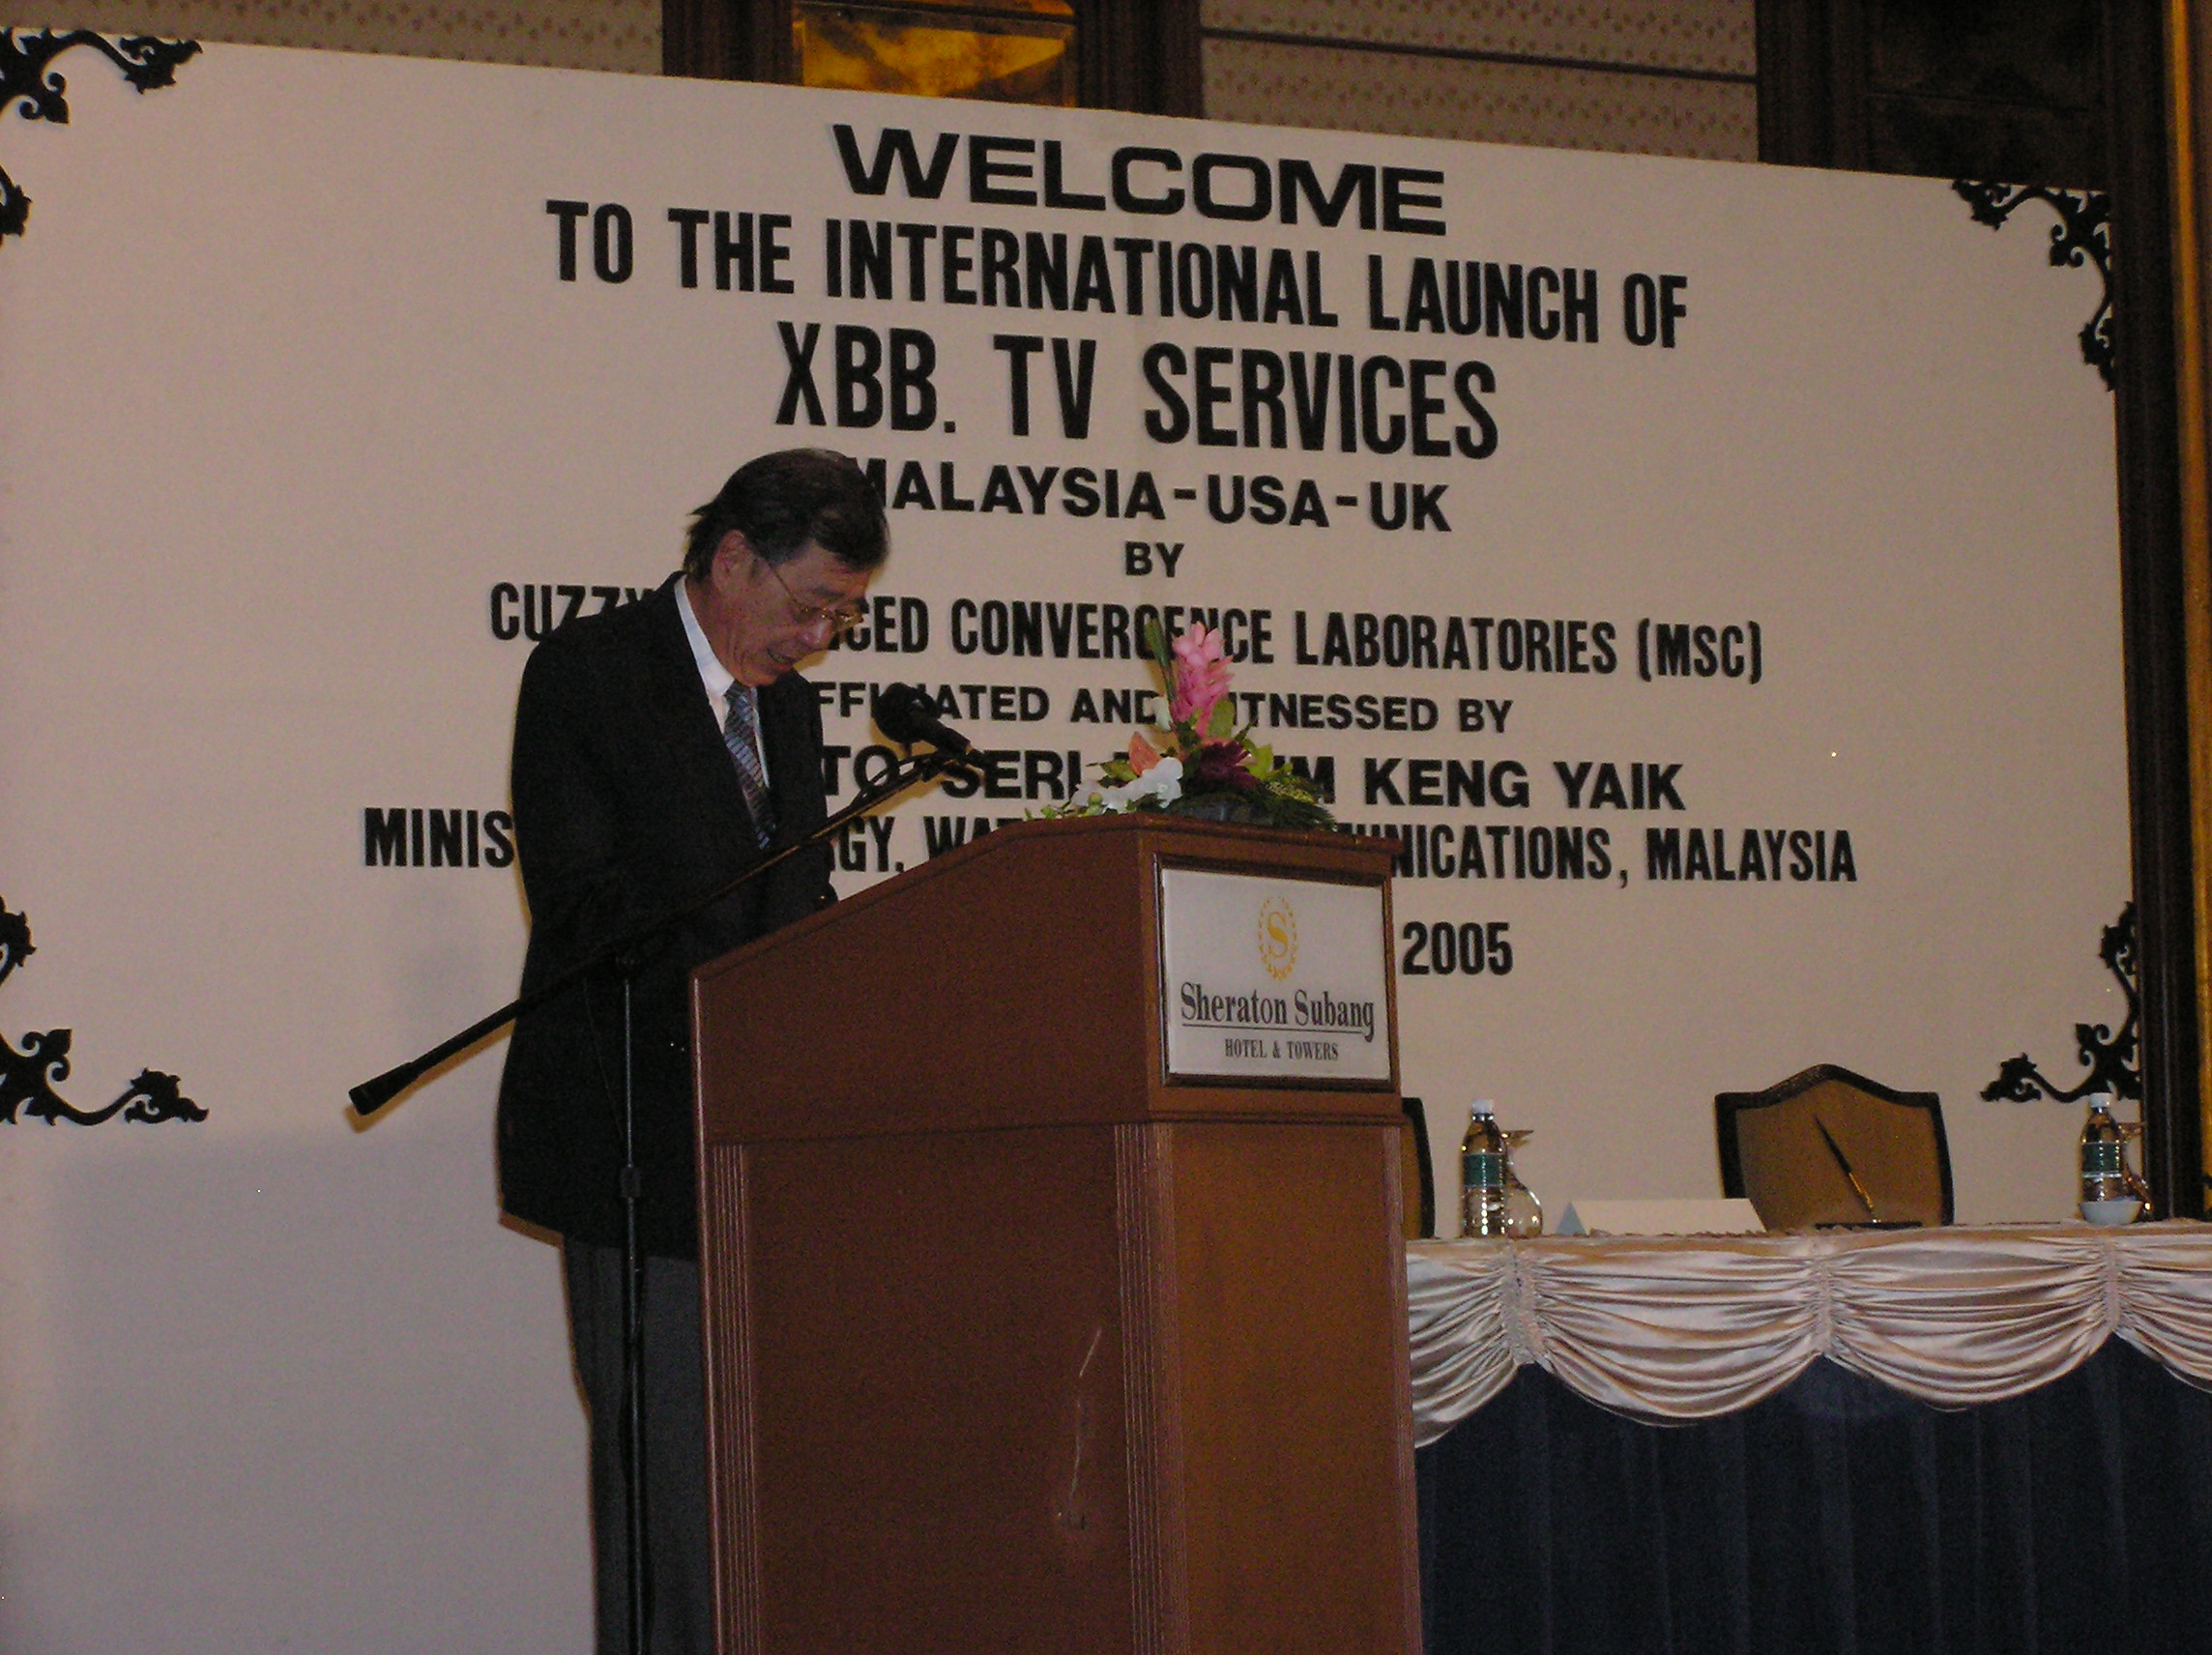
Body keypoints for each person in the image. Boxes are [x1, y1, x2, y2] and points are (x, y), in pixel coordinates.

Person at [495, 449, 888, 1654]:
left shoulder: (788, 708)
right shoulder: (589, 672)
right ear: (730, 558)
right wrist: (746, 988)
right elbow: (584, 904)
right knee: (670, 1484)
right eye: (810, 604)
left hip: (756, 1143)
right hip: (639, 1128)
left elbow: (793, 896)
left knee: (757, 1488)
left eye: (841, 616)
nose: (818, 639)